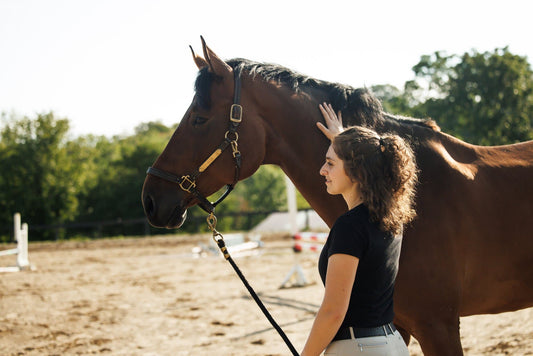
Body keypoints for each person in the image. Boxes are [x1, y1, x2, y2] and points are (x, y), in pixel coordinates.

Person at [301, 103, 417, 356]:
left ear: (357, 170)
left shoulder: (349, 226)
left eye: (330, 163)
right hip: (392, 345)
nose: (323, 171)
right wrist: (342, 140)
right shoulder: (390, 217)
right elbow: (365, 160)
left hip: (358, 349)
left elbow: (333, 312)